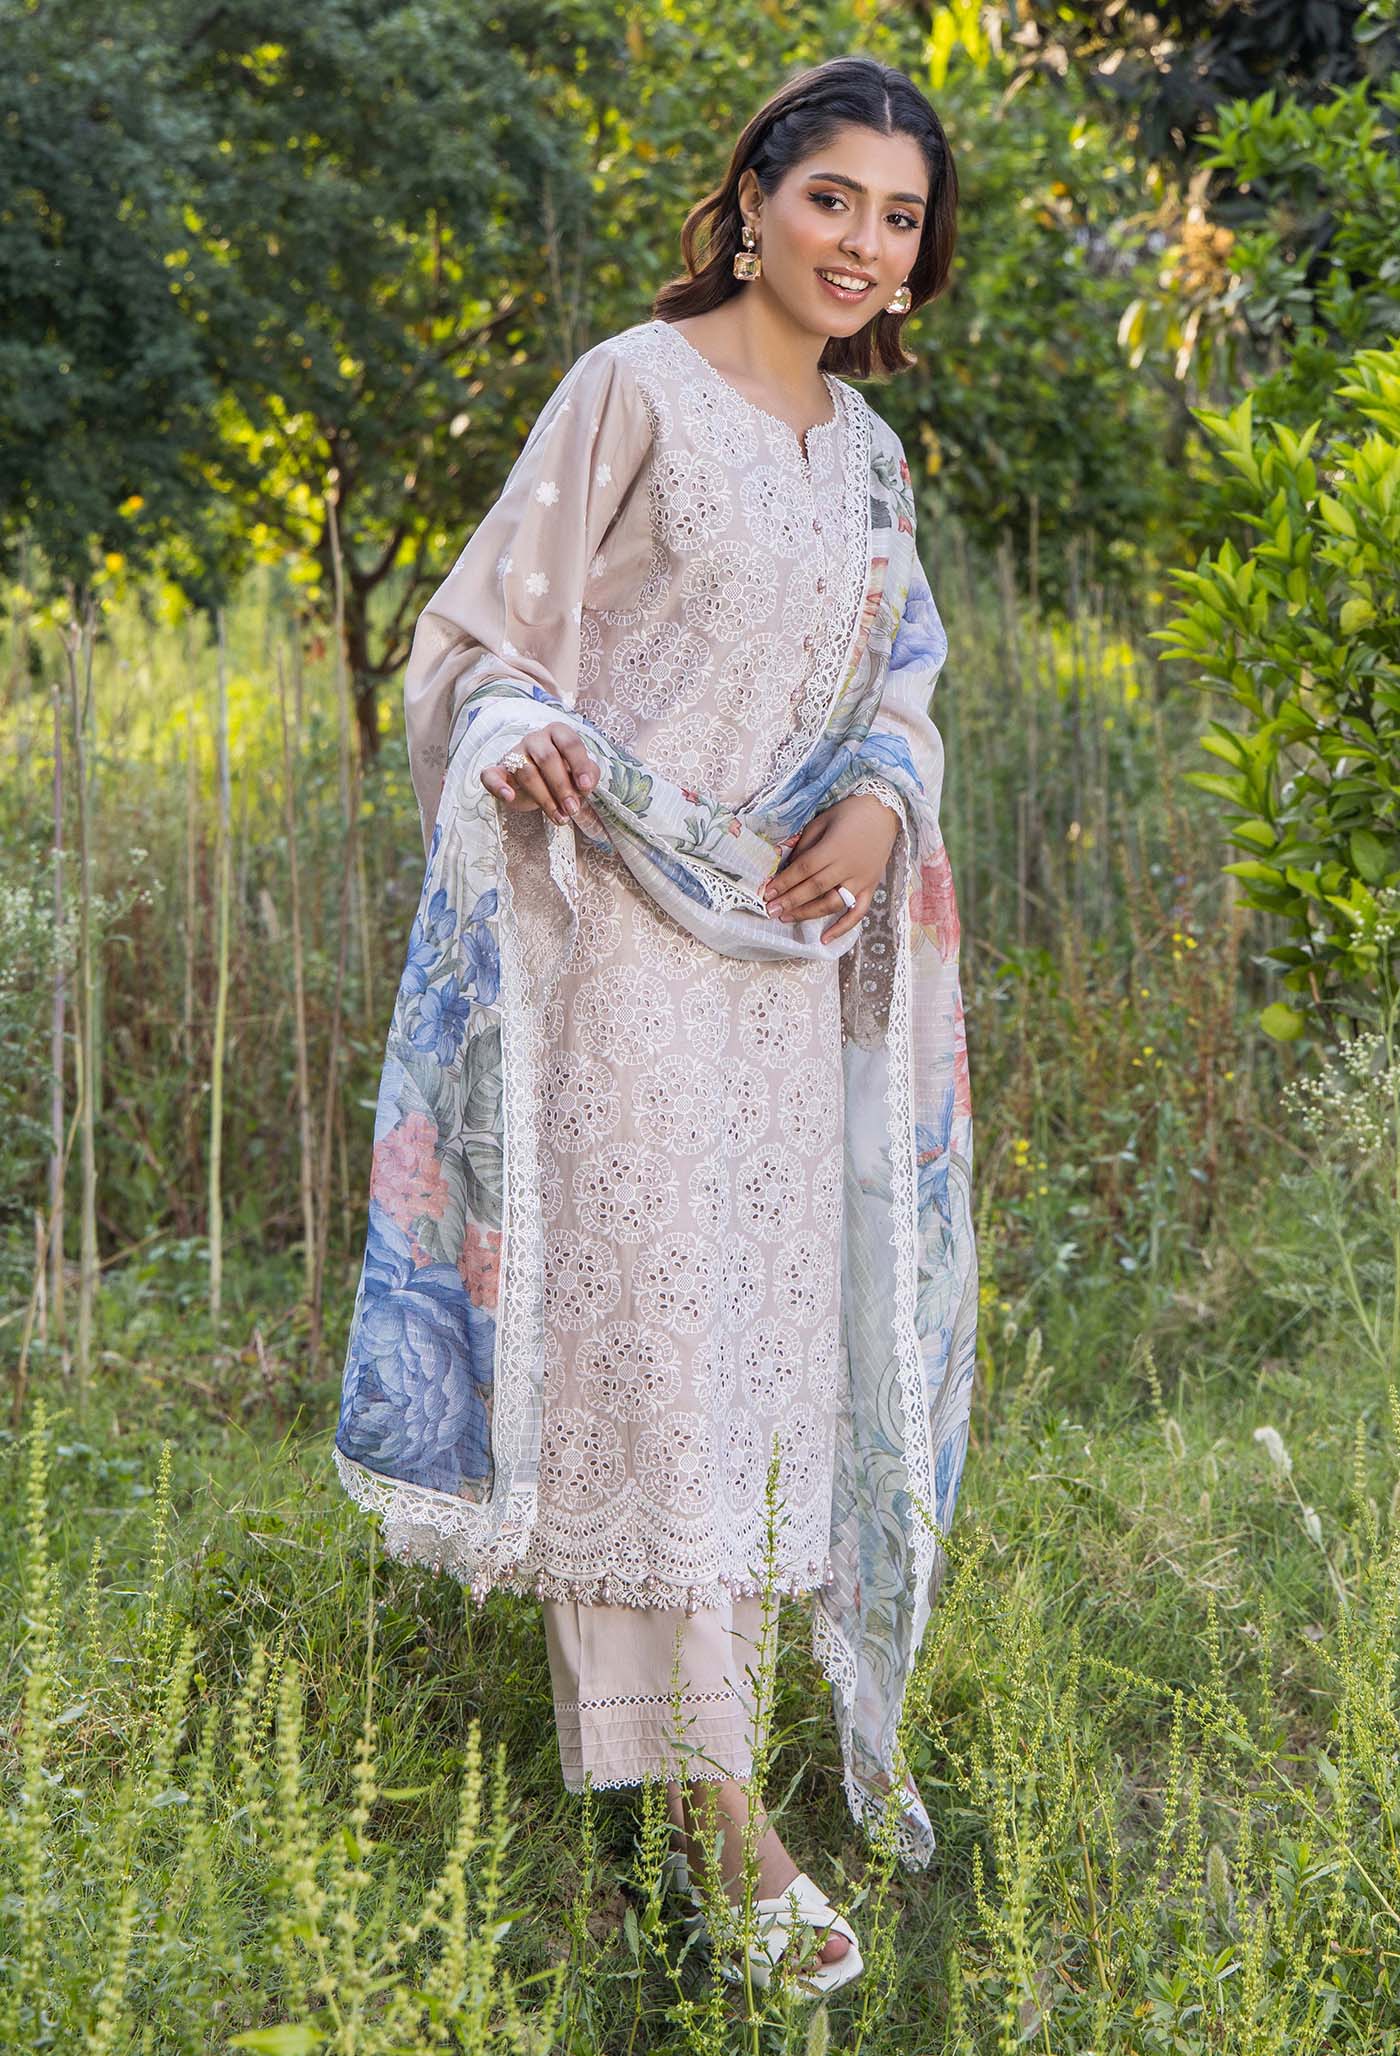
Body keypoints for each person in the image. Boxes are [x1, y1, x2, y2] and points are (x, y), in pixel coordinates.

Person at [333, 52, 978, 1999]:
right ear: (756, 197)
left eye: (900, 219)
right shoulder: (631, 386)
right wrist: (521, 732)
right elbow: (481, 643)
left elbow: (903, 688)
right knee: (649, 1375)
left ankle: (700, 1776)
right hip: (613, 949)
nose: (864, 245)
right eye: (833, 199)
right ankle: (718, 1830)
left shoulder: (870, 465)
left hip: (784, 978)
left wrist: (882, 801)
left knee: (751, 1373)